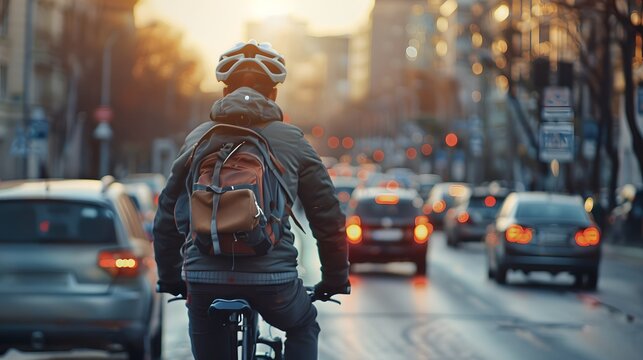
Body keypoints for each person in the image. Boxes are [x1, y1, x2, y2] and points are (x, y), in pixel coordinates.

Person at [153, 40, 350, 360]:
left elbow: (166, 214)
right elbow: (326, 214)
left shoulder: (198, 137)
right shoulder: (292, 140)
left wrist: (172, 277)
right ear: (273, 93)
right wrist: (334, 278)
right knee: (303, 326)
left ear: (224, 91)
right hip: (273, 280)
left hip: (204, 277)